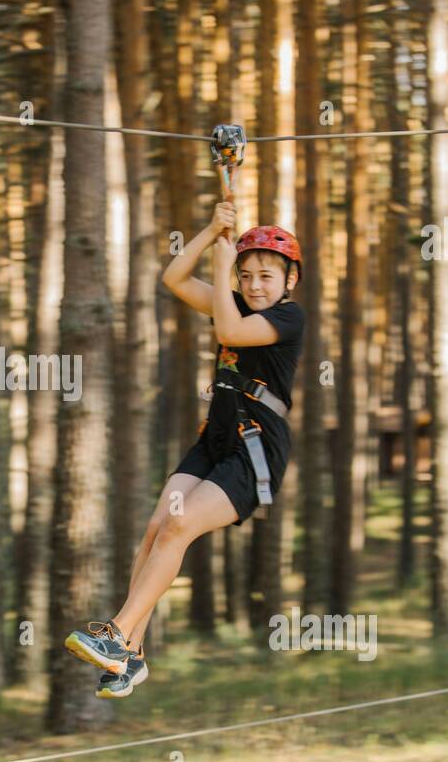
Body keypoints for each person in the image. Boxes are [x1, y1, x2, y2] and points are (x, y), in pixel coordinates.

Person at [65, 200, 306, 698]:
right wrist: (212, 231)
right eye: (246, 275)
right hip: (214, 439)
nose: (255, 284)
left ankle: (117, 634)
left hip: (253, 450)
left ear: (289, 282)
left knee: (178, 526)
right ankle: (132, 656)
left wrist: (223, 274)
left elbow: (230, 332)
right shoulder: (232, 298)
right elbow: (174, 278)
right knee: (157, 529)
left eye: (266, 275)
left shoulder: (288, 318)